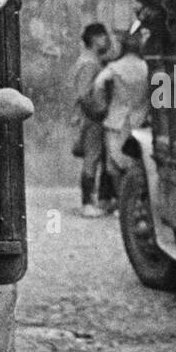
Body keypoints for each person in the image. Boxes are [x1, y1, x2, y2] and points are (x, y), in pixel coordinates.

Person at [90, 28, 151, 195]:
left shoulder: (115, 67)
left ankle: (121, 202)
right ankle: (133, 199)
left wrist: (101, 105)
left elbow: (99, 84)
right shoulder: (145, 67)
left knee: (114, 166)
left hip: (115, 120)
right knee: (135, 164)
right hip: (139, 120)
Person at [72, 22, 115, 216]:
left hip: (92, 117)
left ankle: (97, 200)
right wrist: (99, 111)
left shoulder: (91, 60)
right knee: (92, 157)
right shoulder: (89, 63)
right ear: (94, 39)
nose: (106, 40)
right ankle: (87, 203)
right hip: (92, 118)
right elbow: (83, 94)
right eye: (102, 36)